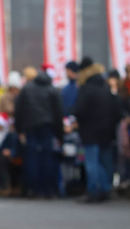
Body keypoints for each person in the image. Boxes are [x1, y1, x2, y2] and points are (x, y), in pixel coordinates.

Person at [72, 60, 122, 202]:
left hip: (90, 131)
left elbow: (79, 110)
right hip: (106, 132)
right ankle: (105, 189)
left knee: (92, 163)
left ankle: (93, 190)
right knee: (104, 162)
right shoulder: (106, 89)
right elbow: (116, 110)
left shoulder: (86, 89)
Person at [14, 66, 63, 198]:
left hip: (30, 127)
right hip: (48, 127)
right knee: (48, 158)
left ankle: (32, 189)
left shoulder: (27, 89)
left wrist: (19, 129)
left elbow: (18, 111)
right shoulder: (52, 90)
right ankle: (48, 190)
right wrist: (60, 134)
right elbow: (58, 113)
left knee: (31, 158)